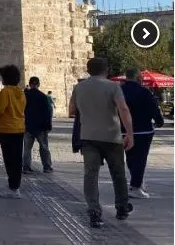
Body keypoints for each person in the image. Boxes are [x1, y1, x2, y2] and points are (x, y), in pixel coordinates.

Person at [69, 58, 134, 228]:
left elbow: (72, 111)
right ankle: (121, 208)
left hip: (88, 136)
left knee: (91, 175)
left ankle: (94, 212)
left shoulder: (79, 87)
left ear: (88, 70)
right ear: (106, 69)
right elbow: (123, 109)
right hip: (112, 136)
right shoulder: (113, 87)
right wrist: (130, 134)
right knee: (118, 174)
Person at [121, 68, 165, 199]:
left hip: (123, 130)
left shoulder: (120, 91)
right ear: (137, 77)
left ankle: (136, 181)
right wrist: (159, 121)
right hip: (142, 130)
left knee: (130, 157)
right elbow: (153, 108)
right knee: (141, 158)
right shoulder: (143, 92)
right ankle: (135, 186)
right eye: (140, 77)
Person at [0, 65, 26, 199]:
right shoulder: (21, 92)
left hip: (7, 129)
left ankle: (12, 188)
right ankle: (15, 186)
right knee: (17, 159)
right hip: (19, 128)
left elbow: (0, 109)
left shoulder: (5, 92)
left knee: (9, 159)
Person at [23, 76, 53, 174]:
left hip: (28, 126)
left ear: (30, 84)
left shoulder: (25, 96)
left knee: (27, 148)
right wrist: (48, 126)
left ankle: (26, 167)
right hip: (41, 126)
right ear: (38, 84)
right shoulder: (43, 96)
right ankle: (47, 167)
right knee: (44, 147)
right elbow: (48, 112)